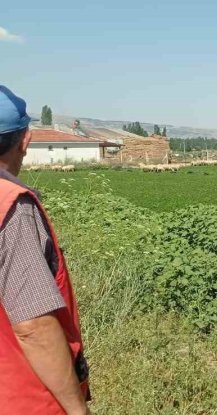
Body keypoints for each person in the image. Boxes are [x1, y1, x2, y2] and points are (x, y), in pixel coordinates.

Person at [0, 85, 90, 414]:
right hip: (18, 395)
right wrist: (76, 409)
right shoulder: (9, 206)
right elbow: (33, 326)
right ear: (25, 140)